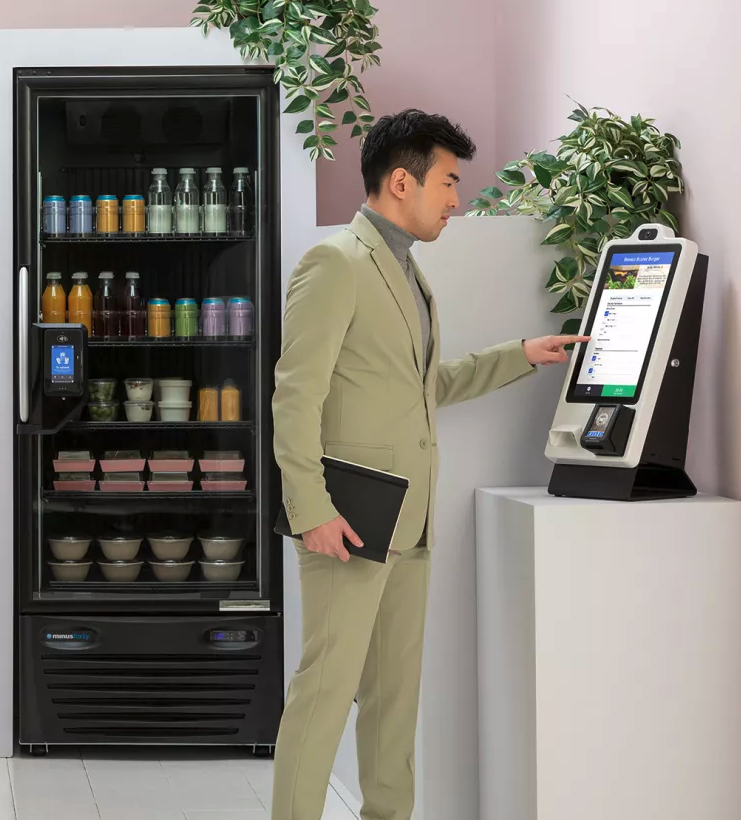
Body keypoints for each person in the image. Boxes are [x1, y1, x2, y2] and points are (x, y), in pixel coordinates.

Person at [268, 109, 587, 820]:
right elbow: (295, 397)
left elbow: (425, 386)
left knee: (393, 701)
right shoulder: (335, 264)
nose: (456, 200)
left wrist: (519, 356)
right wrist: (311, 508)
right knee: (325, 694)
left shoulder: (408, 272)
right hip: (348, 522)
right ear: (401, 181)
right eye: (448, 182)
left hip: (409, 524)